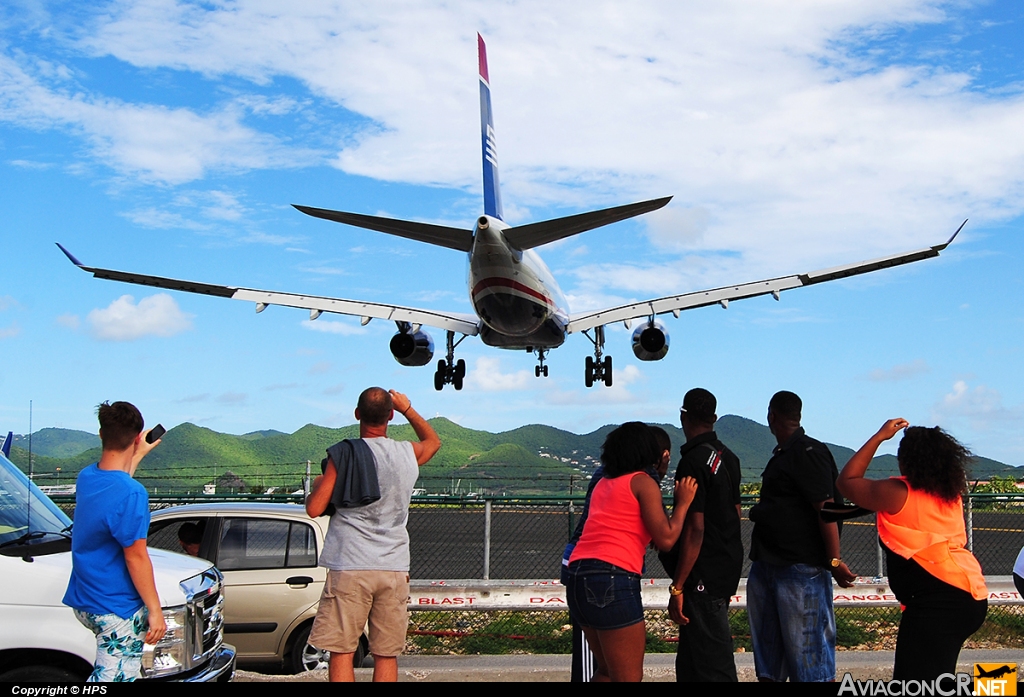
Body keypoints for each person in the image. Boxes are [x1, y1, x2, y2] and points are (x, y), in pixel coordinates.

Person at [305, 387, 440, 682]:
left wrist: (318, 483)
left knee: (342, 651)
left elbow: (315, 509)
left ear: (357, 415)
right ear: (390, 415)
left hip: (350, 565)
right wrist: (408, 408)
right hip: (393, 566)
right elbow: (433, 442)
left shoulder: (344, 454)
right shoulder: (407, 452)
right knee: (386, 653)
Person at [836, 420, 987, 680]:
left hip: (938, 602)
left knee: (914, 683)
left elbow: (847, 481)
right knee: (934, 678)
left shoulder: (897, 492)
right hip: (969, 593)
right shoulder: (948, 493)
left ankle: (1001, 686)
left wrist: (879, 436)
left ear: (907, 460)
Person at [565, 421, 698, 682]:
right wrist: (682, 503)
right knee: (627, 677)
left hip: (578, 574)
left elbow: (617, 523)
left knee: (605, 671)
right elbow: (668, 539)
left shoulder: (604, 482)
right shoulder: (643, 482)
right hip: (613, 577)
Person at [746, 391, 855, 682]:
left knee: (809, 662)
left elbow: (826, 509)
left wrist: (833, 560)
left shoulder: (808, 452)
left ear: (772, 416)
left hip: (799, 569)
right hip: (770, 562)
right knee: (771, 663)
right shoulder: (785, 454)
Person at [62, 401, 166, 682]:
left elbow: (116, 485)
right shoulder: (133, 493)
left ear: (100, 433)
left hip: (85, 600)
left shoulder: (87, 477)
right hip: (116, 608)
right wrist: (155, 611)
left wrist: (137, 453)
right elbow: (136, 557)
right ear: (136, 437)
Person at [664, 388, 743, 682]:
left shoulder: (693, 461)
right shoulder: (728, 457)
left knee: (713, 661)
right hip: (725, 566)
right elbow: (736, 514)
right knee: (691, 659)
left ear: (684, 416)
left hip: (702, 574)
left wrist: (678, 585)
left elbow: (695, 529)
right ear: (714, 418)